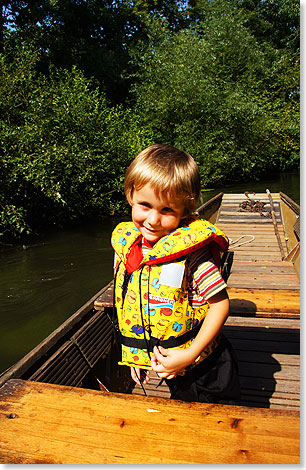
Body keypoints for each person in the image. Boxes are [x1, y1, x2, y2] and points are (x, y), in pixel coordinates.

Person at [111, 144, 240, 404]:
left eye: (167, 210)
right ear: (130, 196)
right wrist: (139, 356)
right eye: (145, 205)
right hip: (168, 364)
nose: (153, 220)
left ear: (185, 209)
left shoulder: (194, 255)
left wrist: (190, 354)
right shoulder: (127, 247)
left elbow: (220, 305)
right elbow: (131, 304)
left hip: (206, 370)